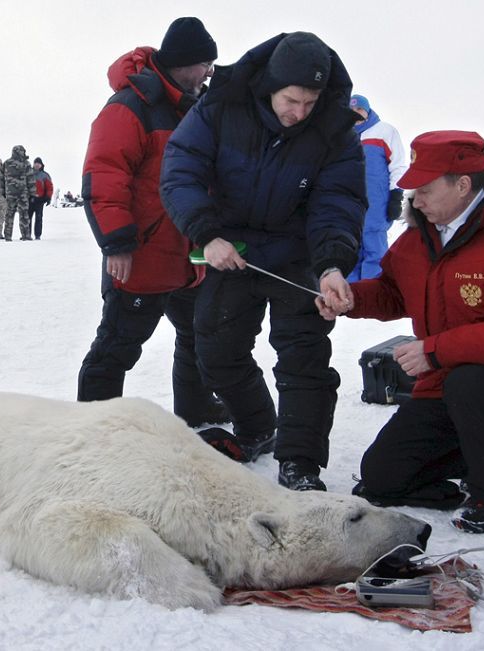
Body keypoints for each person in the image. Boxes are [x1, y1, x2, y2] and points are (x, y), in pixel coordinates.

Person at [317, 130, 484, 533]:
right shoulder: (418, 237)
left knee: (470, 384)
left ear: (462, 185)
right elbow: (392, 291)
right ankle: (472, 454)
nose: (414, 199)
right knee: (381, 479)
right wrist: (351, 298)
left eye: (424, 189)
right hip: (444, 380)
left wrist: (435, 350)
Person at [160, 32, 367, 488]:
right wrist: (207, 234)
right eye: (293, 100)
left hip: (300, 254)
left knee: (304, 359)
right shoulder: (221, 105)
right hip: (234, 249)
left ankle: (300, 463)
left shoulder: (334, 129)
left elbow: (338, 203)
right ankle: (257, 427)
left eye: (311, 102)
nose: (300, 113)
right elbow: (181, 169)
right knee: (214, 347)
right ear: (271, 85)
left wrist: (332, 265)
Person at [77, 17, 229, 429]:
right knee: (117, 347)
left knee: (198, 338)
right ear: (185, 63)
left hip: (189, 256)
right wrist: (117, 243)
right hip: (141, 255)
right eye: (206, 63)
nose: (211, 72)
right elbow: (104, 177)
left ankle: (196, 409)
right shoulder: (130, 106)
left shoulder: (196, 107)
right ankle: (95, 426)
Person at [347, 94, 408, 281]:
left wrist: (396, 195)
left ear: (367, 111)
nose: (355, 114)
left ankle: (374, 292)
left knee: (374, 246)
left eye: (359, 110)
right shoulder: (340, 136)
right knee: (349, 245)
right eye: (351, 111)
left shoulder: (383, 131)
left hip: (376, 202)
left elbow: (397, 165)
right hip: (348, 201)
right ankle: (351, 297)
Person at [3, 145, 36, 241]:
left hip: (11, 193)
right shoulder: (26, 163)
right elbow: (31, 179)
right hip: (22, 194)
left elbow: (1, 178)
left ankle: (8, 236)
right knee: (24, 215)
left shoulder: (6, 163)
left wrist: (3, 191)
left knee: (9, 215)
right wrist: (33, 193)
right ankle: (26, 235)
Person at [30, 157, 54, 240]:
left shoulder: (45, 175)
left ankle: (37, 235)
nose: (36, 165)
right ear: (33, 164)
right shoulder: (29, 174)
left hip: (39, 200)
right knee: (27, 218)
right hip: (29, 199)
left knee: (39, 218)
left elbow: (49, 187)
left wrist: (48, 198)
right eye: (35, 163)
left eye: (38, 163)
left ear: (41, 165)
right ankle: (27, 234)